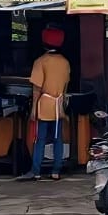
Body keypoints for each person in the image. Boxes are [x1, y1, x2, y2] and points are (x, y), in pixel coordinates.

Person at [18, 24, 71, 182]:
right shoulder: (65, 62)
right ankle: (56, 171)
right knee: (58, 139)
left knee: (39, 139)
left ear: (44, 43)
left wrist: (34, 108)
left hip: (44, 105)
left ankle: (36, 171)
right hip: (58, 105)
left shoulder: (40, 61)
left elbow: (36, 89)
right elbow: (66, 87)